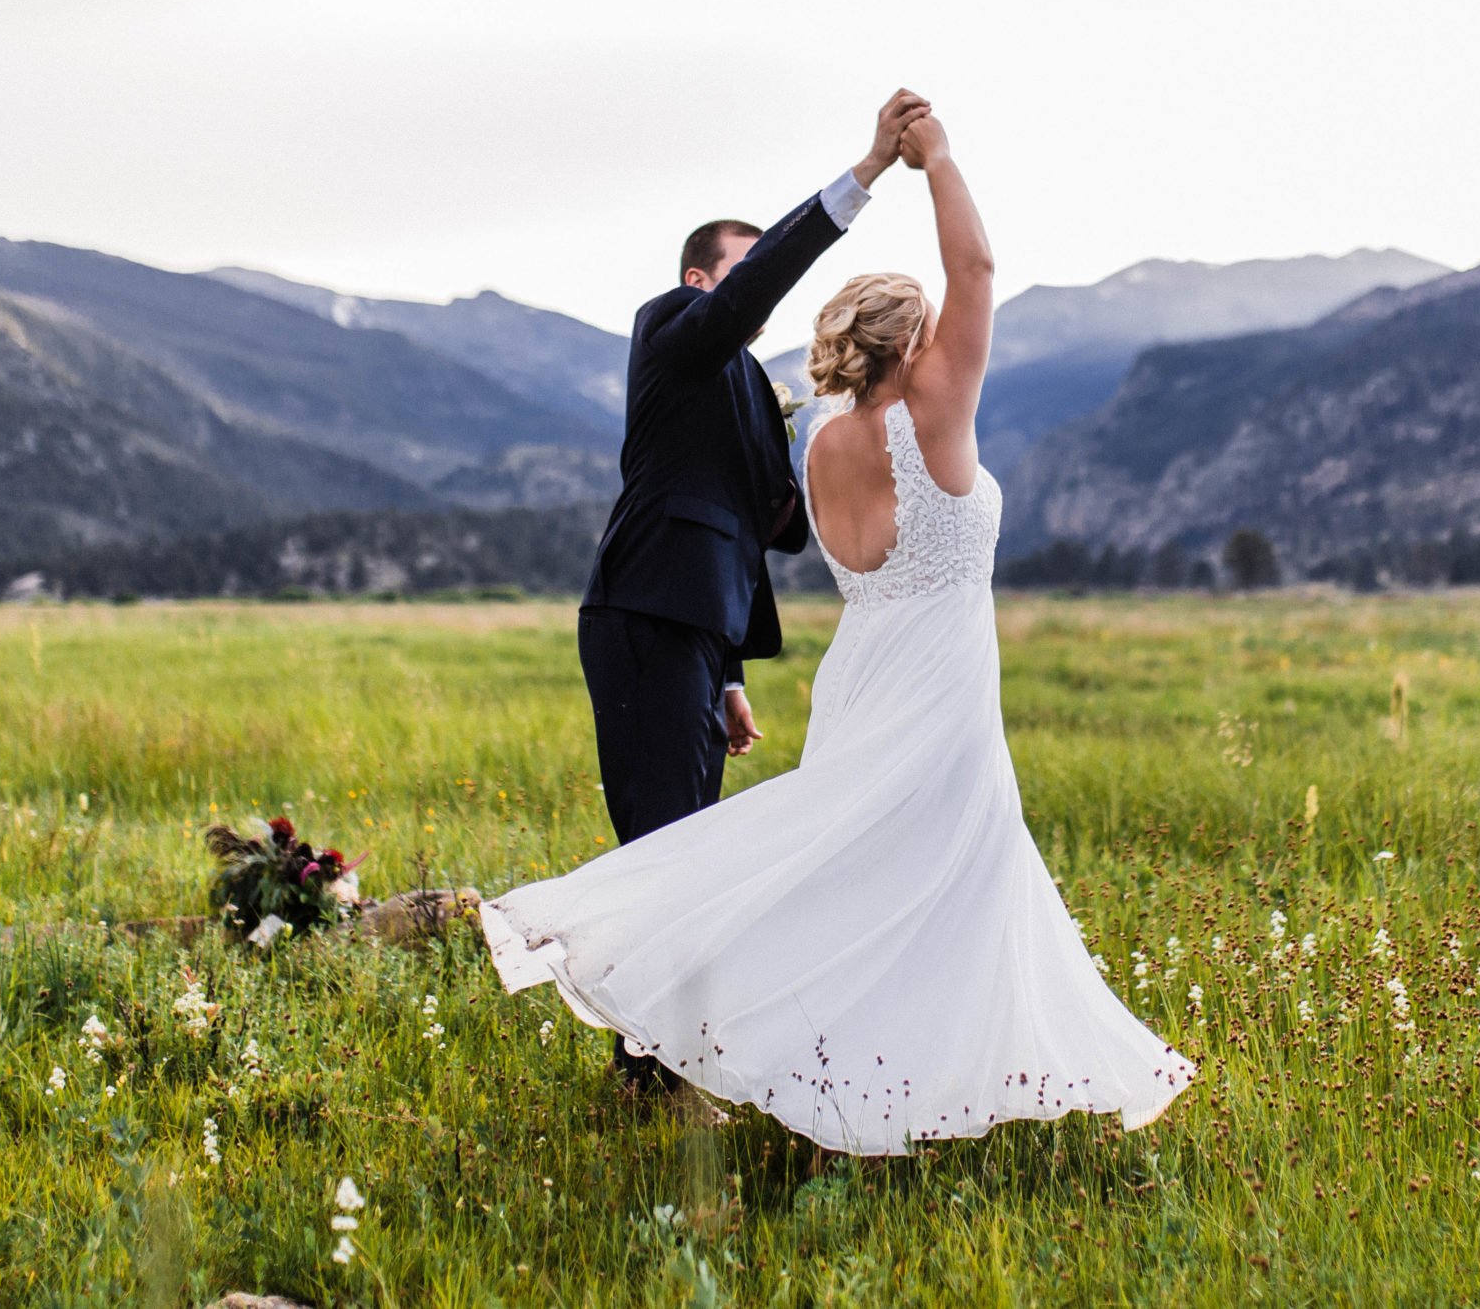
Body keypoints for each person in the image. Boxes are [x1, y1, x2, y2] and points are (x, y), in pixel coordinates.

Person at [484, 102, 1195, 1152]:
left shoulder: (814, 442)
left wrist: (728, 670)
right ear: (913, 344)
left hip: (863, 664)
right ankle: (854, 1061)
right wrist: (929, 161)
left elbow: (742, 528)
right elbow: (981, 274)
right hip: (932, 665)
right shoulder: (903, 408)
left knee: (860, 865)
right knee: (933, 866)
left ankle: (849, 1065)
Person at [574, 87, 928, 1092]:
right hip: (642, 614)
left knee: (687, 852)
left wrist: (729, 675)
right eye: (742, 265)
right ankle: (652, 1070)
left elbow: (753, 531)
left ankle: (657, 1059)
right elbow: (746, 297)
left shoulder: (742, 393)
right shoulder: (674, 328)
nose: (750, 297)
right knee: (663, 851)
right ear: (700, 279)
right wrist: (860, 178)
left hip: (696, 630)